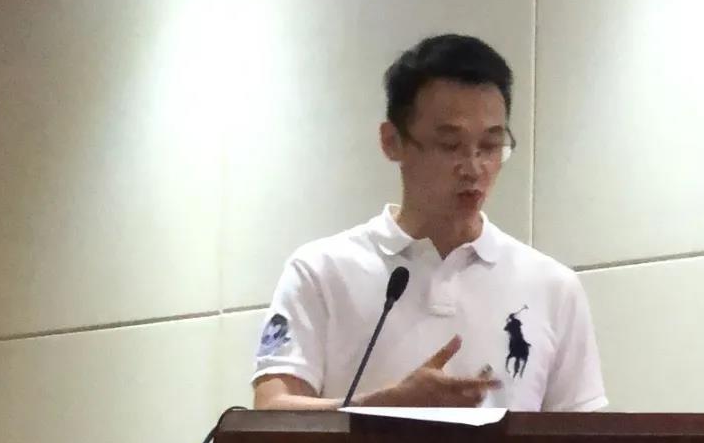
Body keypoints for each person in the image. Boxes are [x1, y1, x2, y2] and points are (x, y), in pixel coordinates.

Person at [252, 34, 607, 412]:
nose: (473, 168)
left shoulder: (553, 287)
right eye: (450, 146)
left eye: (490, 146)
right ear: (392, 141)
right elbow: (271, 413)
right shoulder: (321, 271)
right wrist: (385, 408)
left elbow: (582, 439)